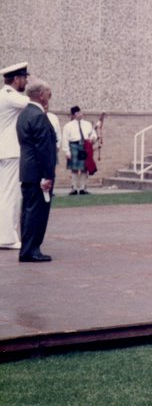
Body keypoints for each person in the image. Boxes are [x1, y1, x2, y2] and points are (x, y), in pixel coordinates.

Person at [17, 79, 57, 262]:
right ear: (41, 95)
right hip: (38, 173)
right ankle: (32, 250)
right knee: (37, 212)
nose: (50, 96)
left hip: (27, 171)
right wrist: (47, 176)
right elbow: (44, 149)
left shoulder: (24, 113)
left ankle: (27, 248)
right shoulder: (39, 116)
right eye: (48, 93)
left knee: (28, 211)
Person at [0, 62, 30, 250]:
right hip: (11, 150)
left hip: (5, 150)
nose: (26, 81)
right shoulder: (10, 96)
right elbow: (32, 102)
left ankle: (5, 234)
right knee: (11, 195)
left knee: (5, 193)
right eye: (25, 78)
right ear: (16, 79)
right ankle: (7, 238)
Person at [61, 106, 98, 195]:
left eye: (80, 112)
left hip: (85, 146)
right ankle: (74, 188)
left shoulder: (87, 124)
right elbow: (65, 139)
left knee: (84, 168)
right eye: (77, 113)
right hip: (73, 146)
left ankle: (82, 188)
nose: (80, 114)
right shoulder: (68, 126)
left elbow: (93, 133)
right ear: (73, 115)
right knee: (74, 169)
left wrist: (93, 137)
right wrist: (67, 151)